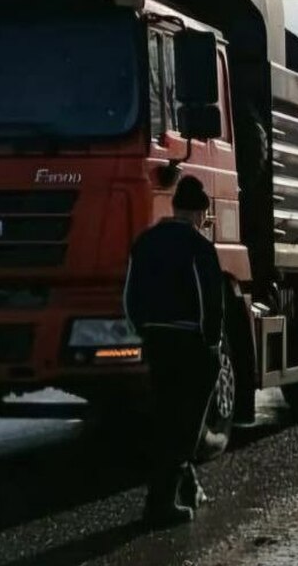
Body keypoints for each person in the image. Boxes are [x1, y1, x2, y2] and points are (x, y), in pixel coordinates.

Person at [124, 176, 224, 526]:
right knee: (185, 427)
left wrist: (144, 331)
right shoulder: (199, 247)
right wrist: (212, 344)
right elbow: (211, 301)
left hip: (157, 342)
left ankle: (185, 489)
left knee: (166, 417)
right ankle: (161, 505)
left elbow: (130, 295)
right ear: (198, 212)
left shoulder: (145, 242)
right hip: (191, 345)